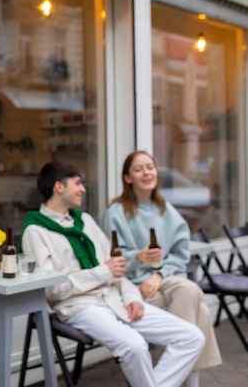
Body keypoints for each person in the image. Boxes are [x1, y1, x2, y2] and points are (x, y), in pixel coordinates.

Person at [21, 161, 204, 387]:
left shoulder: (85, 221)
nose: (83, 189)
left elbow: (115, 269)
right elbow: (53, 290)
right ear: (59, 187)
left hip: (115, 298)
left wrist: (132, 298)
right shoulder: (35, 231)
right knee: (134, 346)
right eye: (78, 183)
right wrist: (101, 272)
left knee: (192, 337)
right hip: (79, 306)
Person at [100, 150, 222, 387]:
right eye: (138, 169)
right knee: (201, 311)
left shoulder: (165, 209)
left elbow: (180, 253)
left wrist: (158, 274)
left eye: (150, 167)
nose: (147, 173)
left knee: (189, 292)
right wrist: (138, 257)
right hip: (131, 289)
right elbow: (111, 259)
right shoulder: (115, 213)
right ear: (127, 178)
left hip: (160, 283)